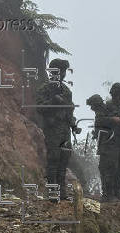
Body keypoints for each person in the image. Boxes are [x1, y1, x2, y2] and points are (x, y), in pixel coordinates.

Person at [36, 59, 81, 201]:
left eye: (64, 71)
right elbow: (40, 108)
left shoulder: (67, 91)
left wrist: (74, 126)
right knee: (53, 159)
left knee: (64, 160)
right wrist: (53, 102)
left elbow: (69, 113)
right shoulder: (45, 88)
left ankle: (62, 192)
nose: (62, 74)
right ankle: (52, 192)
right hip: (52, 128)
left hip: (65, 129)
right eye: (60, 71)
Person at [93, 83, 120, 202]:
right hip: (109, 145)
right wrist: (112, 120)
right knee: (109, 168)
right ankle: (107, 194)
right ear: (114, 95)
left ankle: (116, 193)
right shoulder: (106, 107)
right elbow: (98, 121)